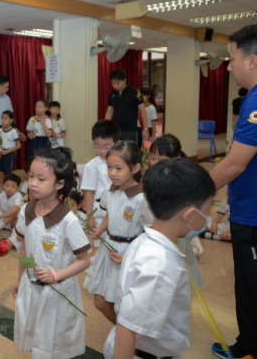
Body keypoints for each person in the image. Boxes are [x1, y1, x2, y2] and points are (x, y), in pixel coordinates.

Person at [208, 23, 257, 359]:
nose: (228, 66)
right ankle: (247, 346)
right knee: (255, 287)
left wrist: (190, 192)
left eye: (232, 58)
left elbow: (235, 164)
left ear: (252, 61)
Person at [105, 158, 216, 359]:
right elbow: (127, 328)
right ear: (190, 215)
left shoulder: (145, 240)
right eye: (206, 211)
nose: (207, 218)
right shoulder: (159, 265)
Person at [12, 147, 91, 358]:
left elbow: (84, 260)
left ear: (59, 184)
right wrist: (20, 279)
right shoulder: (26, 210)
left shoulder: (68, 220)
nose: (33, 183)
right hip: (31, 287)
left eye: (41, 179)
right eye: (31, 176)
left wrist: (56, 275)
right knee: (36, 335)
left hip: (57, 292)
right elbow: (24, 247)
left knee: (54, 340)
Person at [83, 141, 154, 325]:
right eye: (109, 167)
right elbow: (110, 214)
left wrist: (130, 257)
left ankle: (128, 335)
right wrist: (100, 229)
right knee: (101, 302)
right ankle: (123, 331)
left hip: (128, 253)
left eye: (118, 168)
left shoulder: (142, 198)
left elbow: (151, 232)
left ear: (135, 168)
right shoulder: (109, 190)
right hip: (109, 250)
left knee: (124, 303)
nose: (112, 173)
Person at [148, 134, 203, 286]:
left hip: (174, 237)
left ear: (176, 159)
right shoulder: (149, 178)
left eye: (161, 159)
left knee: (174, 278)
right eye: (152, 158)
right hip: (154, 236)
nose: (155, 163)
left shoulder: (183, 183)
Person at [82, 120, 120, 252]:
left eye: (107, 147)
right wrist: (89, 216)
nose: (102, 151)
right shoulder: (92, 166)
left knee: (114, 244)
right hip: (99, 210)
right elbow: (89, 192)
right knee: (98, 246)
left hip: (118, 207)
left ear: (117, 143)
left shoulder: (122, 163)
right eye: (97, 146)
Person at [105, 70, 149, 143]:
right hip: (116, 131)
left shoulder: (134, 92)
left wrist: (146, 128)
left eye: (118, 83)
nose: (115, 85)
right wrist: (105, 127)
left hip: (131, 131)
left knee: (130, 150)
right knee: (116, 149)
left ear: (124, 80)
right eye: (113, 83)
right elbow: (109, 112)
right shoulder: (112, 95)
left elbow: (142, 110)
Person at [0, 110, 21, 180]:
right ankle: (3, 187)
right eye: (2, 118)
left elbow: (19, 145)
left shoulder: (13, 131)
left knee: (8, 173)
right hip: (0, 153)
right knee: (1, 173)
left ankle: (9, 186)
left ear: (11, 120)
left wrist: (7, 151)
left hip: (9, 154)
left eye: (5, 118)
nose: (3, 120)